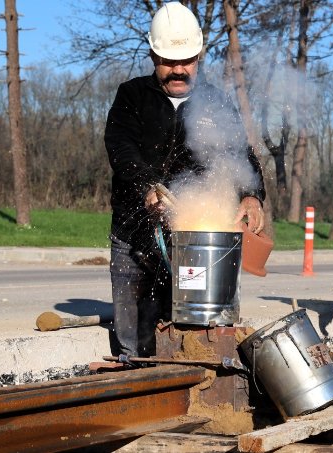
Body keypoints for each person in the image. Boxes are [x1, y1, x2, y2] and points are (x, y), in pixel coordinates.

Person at [104, 2, 265, 358]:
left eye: (186, 61)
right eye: (168, 62)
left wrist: (252, 195)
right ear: (151, 55)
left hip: (193, 244)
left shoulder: (216, 102)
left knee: (193, 329)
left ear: (199, 55)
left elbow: (242, 154)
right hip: (134, 240)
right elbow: (121, 149)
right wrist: (148, 185)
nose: (178, 70)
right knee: (135, 340)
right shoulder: (131, 96)